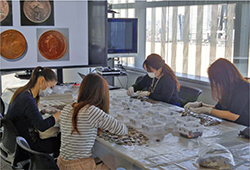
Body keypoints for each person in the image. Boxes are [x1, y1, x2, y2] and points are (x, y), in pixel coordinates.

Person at [57, 73, 128, 170]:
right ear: (101, 93)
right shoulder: (91, 111)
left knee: (107, 158)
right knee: (120, 163)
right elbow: (122, 130)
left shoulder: (67, 108)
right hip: (80, 167)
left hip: (62, 164)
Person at [6, 66, 61, 160]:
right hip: (27, 145)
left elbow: (25, 116)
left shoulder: (23, 93)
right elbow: (42, 126)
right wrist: (60, 114)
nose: (50, 91)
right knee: (61, 139)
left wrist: (42, 112)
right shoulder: (28, 100)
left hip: (17, 141)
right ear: (41, 80)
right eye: (51, 87)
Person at [184, 58, 250, 126]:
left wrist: (207, 110)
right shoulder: (229, 88)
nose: (216, 83)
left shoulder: (243, 87)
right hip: (230, 125)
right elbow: (219, 109)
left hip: (243, 128)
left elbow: (233, 115)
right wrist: (200, 105)